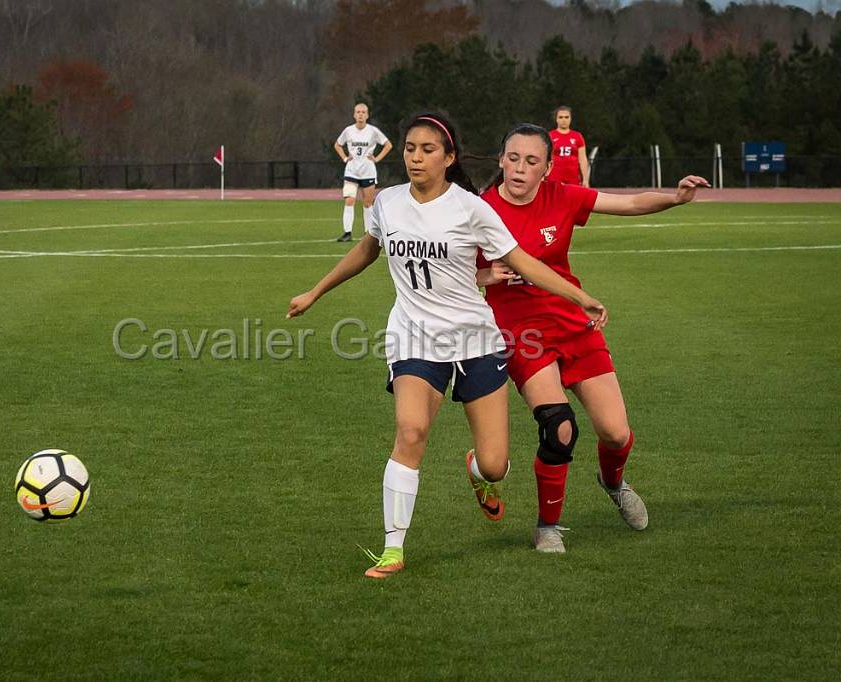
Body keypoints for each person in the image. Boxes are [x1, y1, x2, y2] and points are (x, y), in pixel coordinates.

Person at [288, 113, 608, 579]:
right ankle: (392, 549)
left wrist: (581, 297)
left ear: (449, 157)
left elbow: (522, 262)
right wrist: (314, 292)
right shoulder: (388, 202)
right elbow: (367, 248)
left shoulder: (472, 209)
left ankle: (478, 474)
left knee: (497, 464)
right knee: (411, 432)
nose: (416, 157)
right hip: (413, 337)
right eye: (410, 148)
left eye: (428, 150)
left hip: (475, 338)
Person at [475, 123, 710, 553]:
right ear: (500, 160)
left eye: (531, 161)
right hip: (519, 331)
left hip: (572, 321)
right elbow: (449, 275)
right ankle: (548, 526)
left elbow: (629, 202)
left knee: (617, 434)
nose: (519, 168)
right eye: (512, 158)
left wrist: (674, 199)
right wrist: (486, 274)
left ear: (547, 168)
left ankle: (613, 483)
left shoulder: (561, 196)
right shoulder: (478, 210)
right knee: (559, 427)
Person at [332, 103, 392, 242]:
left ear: (367, 115)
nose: (360, 114)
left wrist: (376, 158)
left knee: (367, 203)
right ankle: (347, 233)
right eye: (358, 112)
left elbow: (388, 145)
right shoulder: (348, 131)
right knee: (349, 200)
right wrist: (345, 158)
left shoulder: (373, 131)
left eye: (363, 112)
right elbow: (337, 144)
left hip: (368, 172)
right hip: (351, 171)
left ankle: (368, 234)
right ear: (354, 114)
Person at [548, 105, 589, 187]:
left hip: (573, 178)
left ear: (570, 118)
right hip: (554, 177)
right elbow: (545, 158)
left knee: (574, 199)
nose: (564, 120)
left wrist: (585, 179)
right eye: (561, 117)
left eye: (566, 117)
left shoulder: (577, 136)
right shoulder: (550, 136)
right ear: (556, 119)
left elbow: (583, 159)